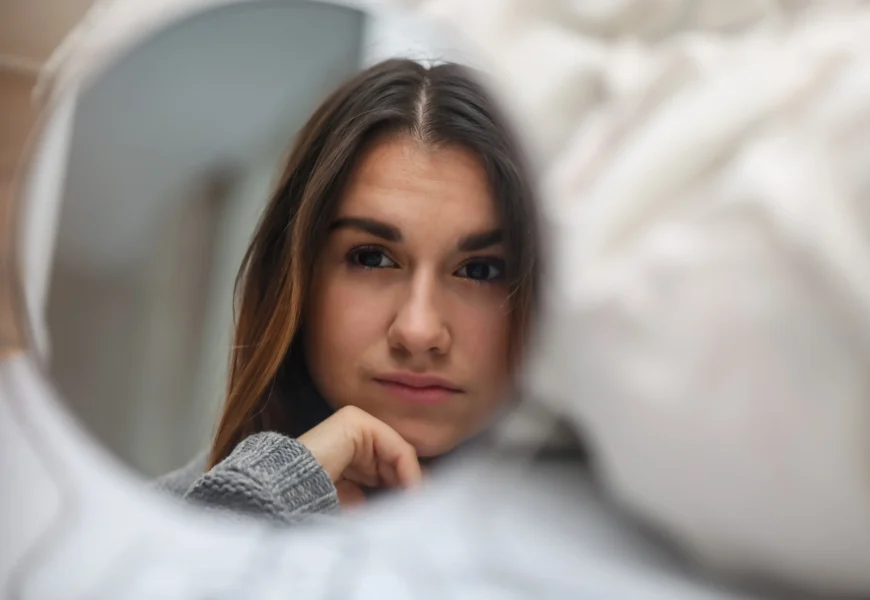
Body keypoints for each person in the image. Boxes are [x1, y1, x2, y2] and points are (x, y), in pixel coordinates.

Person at [154, 57, 540, 519]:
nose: (418, 331)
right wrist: (263, 501)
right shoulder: (143, 529)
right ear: (296, 279)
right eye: (371, 258)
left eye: (480, 270)